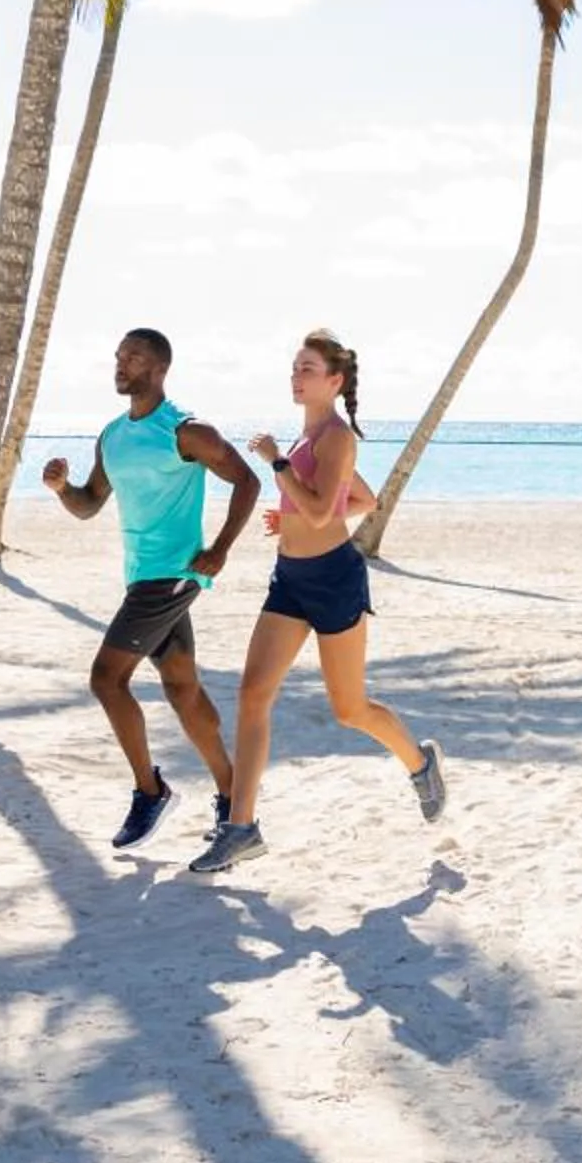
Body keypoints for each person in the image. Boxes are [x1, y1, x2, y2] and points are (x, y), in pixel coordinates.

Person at [186, 328, 446, 876]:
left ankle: (420, 763)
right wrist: (292, 513)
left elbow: (330, 513)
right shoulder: (308, 441)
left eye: (308, 369)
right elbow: (362, 499)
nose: (297, 377)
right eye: (295, 368)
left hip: (333, 580)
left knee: (349, 709)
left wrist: (277, 465)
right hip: (290, 579)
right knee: (253, 694)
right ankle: (241, 827)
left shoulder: (335, 438)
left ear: (335, 381)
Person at [41, 327, 260, 851]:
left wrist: (222, 548)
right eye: (118, 356)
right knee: (182, 688)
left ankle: (150, 789)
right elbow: (90, 502)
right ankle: (235, 804)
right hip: (143, 576)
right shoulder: (112, 435)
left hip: (175, 574)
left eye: (133, 358)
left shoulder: (186, 431)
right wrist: (61, 490)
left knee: (106, 678)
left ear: (159, 368)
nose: (121, 365)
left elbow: (247, 482)